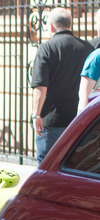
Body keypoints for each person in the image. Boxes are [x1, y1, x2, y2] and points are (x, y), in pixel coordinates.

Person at [30, 8, 92, 162]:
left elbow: (40, 87)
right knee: (73, 167)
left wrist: (36, 114)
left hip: (52, 122)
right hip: (79, 121)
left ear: (51, 26)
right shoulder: (87, 48)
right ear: (70, 24)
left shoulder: (47, 48)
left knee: (47, 167)